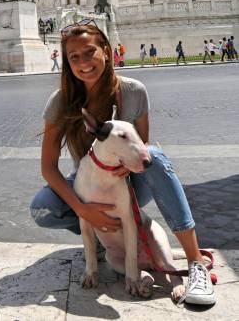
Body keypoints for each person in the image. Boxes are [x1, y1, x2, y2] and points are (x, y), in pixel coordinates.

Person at [30, 20, 216, 306]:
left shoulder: (133, 91)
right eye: (74, 57)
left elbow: (142, 148)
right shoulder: (61, 101)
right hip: (87, 184)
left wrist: (127, 167)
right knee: (42, 208)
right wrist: (83, 210)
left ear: (106, 50)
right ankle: (102, 239)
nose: (83, 63)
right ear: (67, 63)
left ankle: (195, 263)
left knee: (156, 155)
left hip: (127, 182)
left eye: (89, 52)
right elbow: (48, 167)